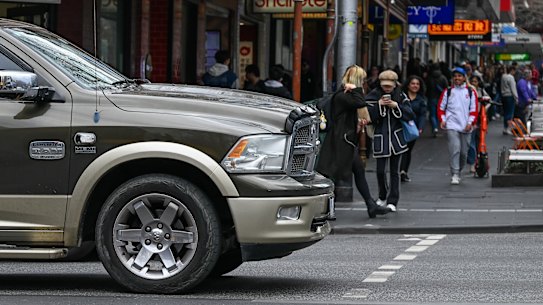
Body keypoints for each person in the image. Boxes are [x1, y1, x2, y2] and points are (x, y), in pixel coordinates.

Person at [317, 65, 390, 218]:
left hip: (345, 140)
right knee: (333, 175)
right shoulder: (344, 95)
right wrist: (355, 89)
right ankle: (328, 210)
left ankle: (370, 205)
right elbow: (360, 103)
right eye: (362, 80)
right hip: (340, 141)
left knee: (356, 172)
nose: (364, 83)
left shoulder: (346, 95)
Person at [366, 70, 415, 212]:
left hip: (396, 139)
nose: (387, 88)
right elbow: (368, 116)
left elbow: (410, 114)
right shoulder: (373, 95)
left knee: (395, 171)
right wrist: (379, 105)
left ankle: (393, 200)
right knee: (380, 171)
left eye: (389, 86)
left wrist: (395, 106)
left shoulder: (401, 95)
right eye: (384, 85)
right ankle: (382, 196)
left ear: (395, 84)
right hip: (381, 138)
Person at [438, 67, 478, 185]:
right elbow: (441, 108)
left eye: (459, 76)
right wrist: (443, 120)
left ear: (464, 77)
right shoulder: (448, 91)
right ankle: (455, 173)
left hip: (466, 126)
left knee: (464, 153)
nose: (457, 78)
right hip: (452, 125)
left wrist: (470, 123)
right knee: (455, 149)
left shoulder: (471, 92)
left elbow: (474, 109)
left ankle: (458, 170)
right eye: (455, 76)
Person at [400, 75, 427, 182]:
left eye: (417, 84)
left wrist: (420, 127)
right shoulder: (401, 97)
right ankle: (399, 170)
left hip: (412, 128)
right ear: (408, 85)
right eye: (413, 83)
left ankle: (404, 171)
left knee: (408, 150)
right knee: (400, 149)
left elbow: (422, 115)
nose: (415, 86)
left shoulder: (421, 100)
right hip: (400, 126)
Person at [466, 75, 490, 173]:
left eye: (475, 82)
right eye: (472, 82)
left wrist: (485, 108)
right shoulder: (467, 92)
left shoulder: (481, 91)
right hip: (471, 120)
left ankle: (478, 161)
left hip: (480, 119)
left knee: (479, 142)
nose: (474, 84)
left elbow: (489, 101)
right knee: (471, 143)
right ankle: (472, 163)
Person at [426, 63, 449, 137]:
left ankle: (435, 128)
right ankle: (439, 125)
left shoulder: (429, 77)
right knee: (439, 113)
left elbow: (426, 88)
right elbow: (446, 88)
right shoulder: (443, 78)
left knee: (432, 114)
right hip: (441, 98)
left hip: (431, 97)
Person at [500, 65, 518, 135]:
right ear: (512, 70)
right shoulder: (511, 77)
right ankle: (508, 129)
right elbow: (513, 88)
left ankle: (505, 128)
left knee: (505, 113)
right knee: (510, 114)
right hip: (510, 96)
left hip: (504, 96)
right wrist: (516, 98)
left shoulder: (503, 76)